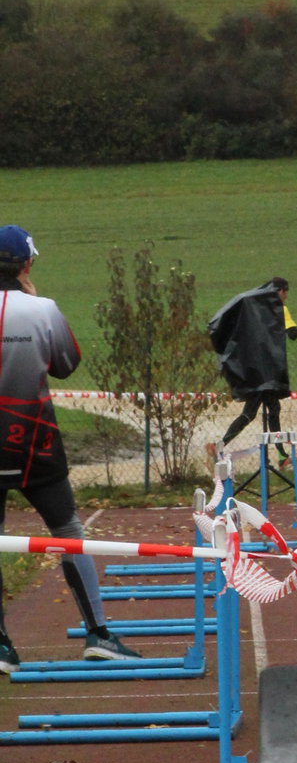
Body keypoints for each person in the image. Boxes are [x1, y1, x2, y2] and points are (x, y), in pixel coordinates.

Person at [0, 226, 138, 668]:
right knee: (68, 532)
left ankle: (1, 645)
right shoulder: (43, 309)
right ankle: (98, 634)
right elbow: (66, 365)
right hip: (34, 440)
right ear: (27, 264)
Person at [210, 277, 297, 452]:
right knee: (253, 413)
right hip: (267, 374)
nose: (286, 297)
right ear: (280, 291)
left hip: (250, 370)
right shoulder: (279, 309)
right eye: (285, 292)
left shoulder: (253, 308)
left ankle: (281, 455)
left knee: (270, 409)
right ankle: (219, 446)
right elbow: (293, 334)